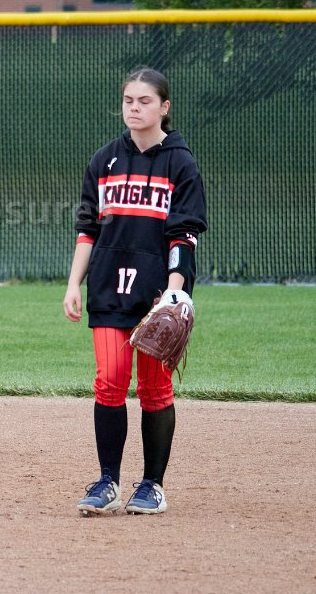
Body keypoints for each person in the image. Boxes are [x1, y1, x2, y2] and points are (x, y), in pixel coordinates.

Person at [63, 67, 208, 516]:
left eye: (144, 101)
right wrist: (73, 283)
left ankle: (152, 485)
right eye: (128, 100)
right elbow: (88, 229)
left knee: (154, 388)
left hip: (155, 293)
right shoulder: (104, 160)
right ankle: (107, 481)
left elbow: (184, 236)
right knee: (109, 380)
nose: (134, 108)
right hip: (108, 286)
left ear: (164, 107)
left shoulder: (180, 163)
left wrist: (174, 293)